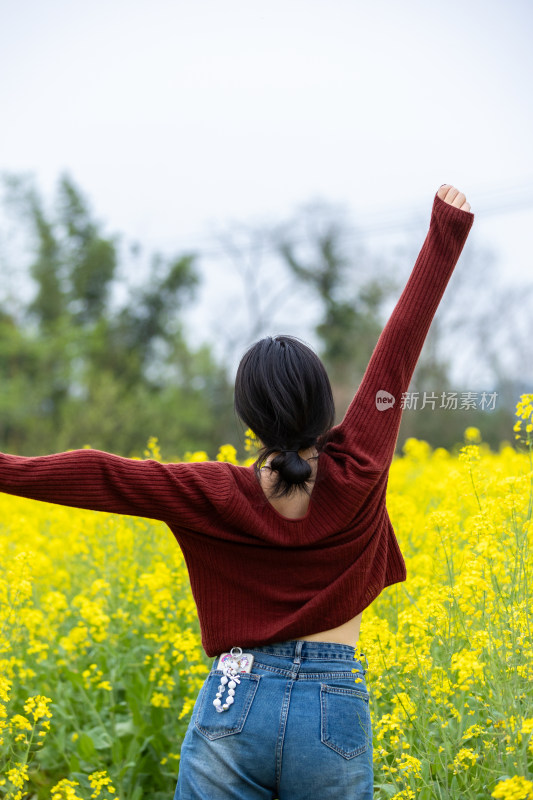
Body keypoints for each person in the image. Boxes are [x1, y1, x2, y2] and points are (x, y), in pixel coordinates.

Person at [0, 185, 473, 799]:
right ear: (326, 405)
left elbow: (102, 472)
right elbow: (400, 350)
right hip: (334, 707)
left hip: (235, 697)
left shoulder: (210, 491)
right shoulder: (359, 465)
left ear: (249, 421)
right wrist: (444, 232)